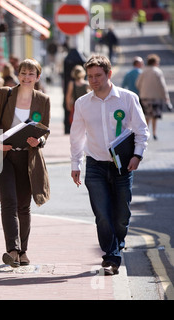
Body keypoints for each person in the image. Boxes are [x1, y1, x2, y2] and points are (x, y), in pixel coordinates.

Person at [70, 55, 150, 276]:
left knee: (121, 215)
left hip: (123, 166)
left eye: (98, 75)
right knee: (102, 214)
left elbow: (142, 130)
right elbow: (76, 136)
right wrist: (76, 163)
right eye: (90, 76)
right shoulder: (82, 103)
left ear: (109, 74)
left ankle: (117, 245)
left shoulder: (127, 98)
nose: (94, 80)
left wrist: (137, 155)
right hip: (95, 165)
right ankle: (111, 256)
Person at [0, 58, 51, 267]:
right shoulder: (5, 94)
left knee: (23, 206)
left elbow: (45, 130)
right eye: (23, 72)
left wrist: (39, 140)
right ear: (18, 73)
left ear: (37, 77)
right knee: (9, 202)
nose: (26, 77)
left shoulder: (43, 100)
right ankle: (12, 250)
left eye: (31, 74)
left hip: (28, 158)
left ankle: (23, 251)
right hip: (3, 156)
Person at [136, 54, 171, 140]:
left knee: (147, 115)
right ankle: (154, 133)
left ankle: (146, 132)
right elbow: (162, 86)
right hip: (156, 97)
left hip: (145, 97)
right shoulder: (158, 71)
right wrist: (166, 97)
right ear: (154, 62)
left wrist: (143, 90)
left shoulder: (143, 71)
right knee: (155, 116)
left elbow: (137, 84)